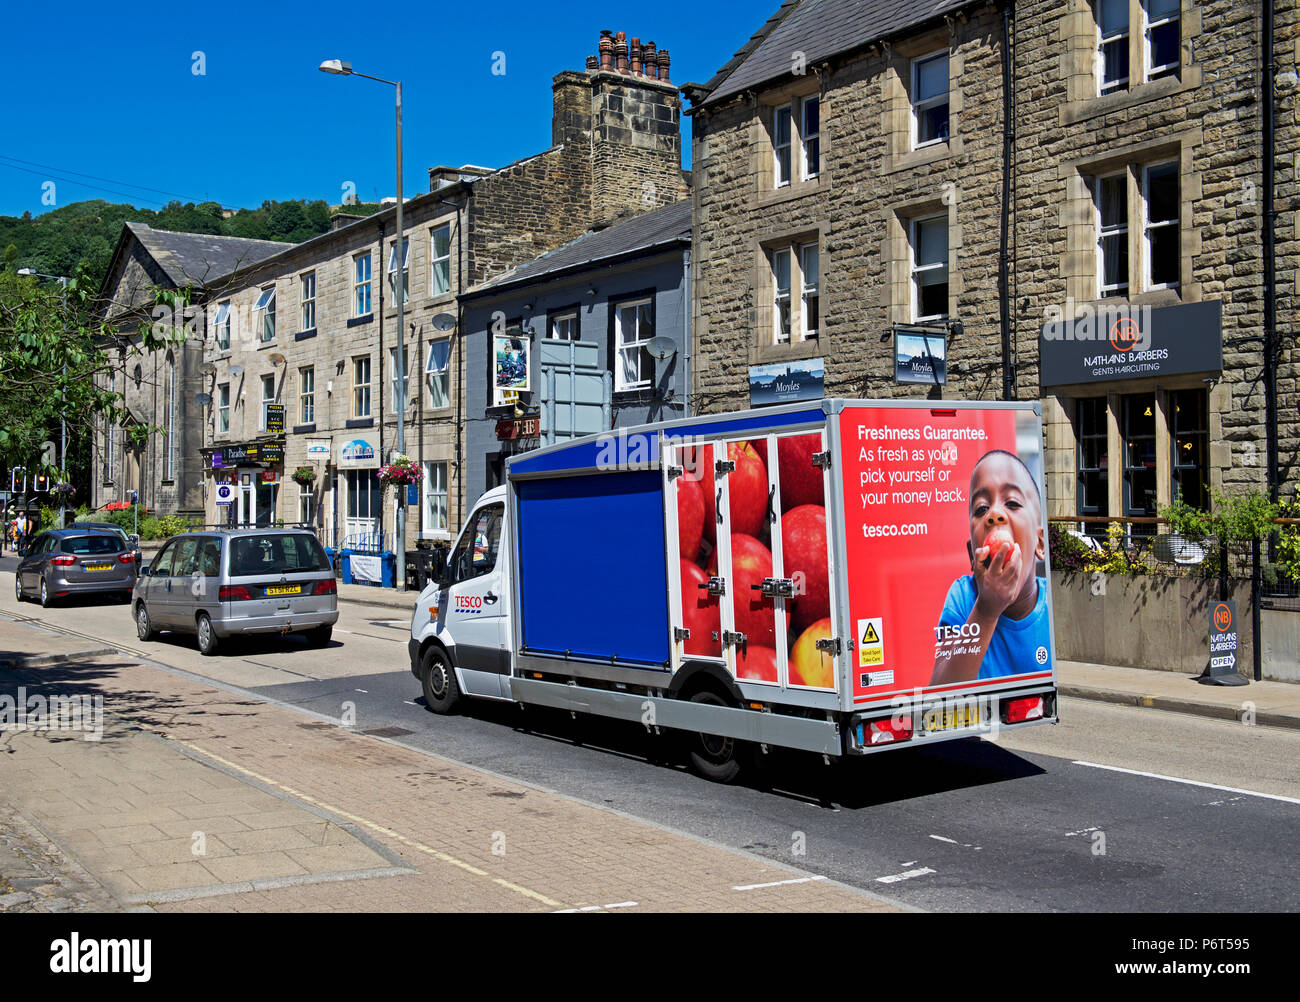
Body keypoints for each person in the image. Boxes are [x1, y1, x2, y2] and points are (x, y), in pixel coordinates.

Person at [930, 449, 1051, 684]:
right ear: (972, 556)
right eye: (982, 509)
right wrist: (987, 609)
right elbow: (940, 690)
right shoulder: (963, 598)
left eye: (1013, 503)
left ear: (1040, 543)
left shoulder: (1052, 607)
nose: (994, 514)